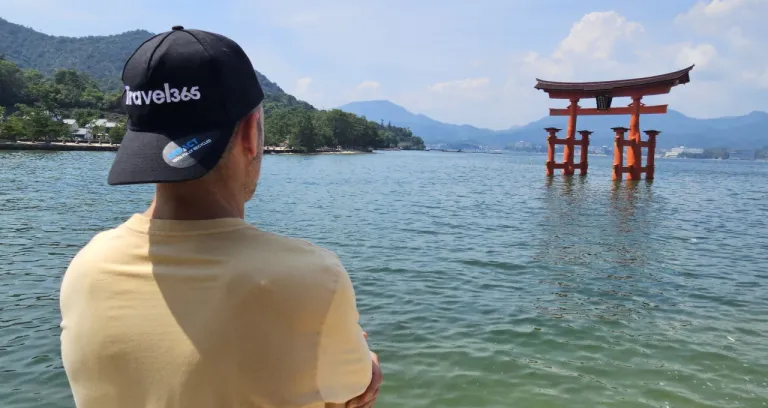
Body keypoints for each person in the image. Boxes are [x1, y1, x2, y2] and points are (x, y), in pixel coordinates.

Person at [59, 26, 382, 408]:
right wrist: (367, 367)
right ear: (250, 133)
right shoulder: (313, 279)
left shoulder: (86, 270)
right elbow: (353, 390)